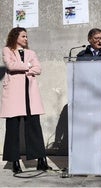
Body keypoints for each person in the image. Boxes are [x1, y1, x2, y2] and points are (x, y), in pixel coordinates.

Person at [0, 27, 52, 173]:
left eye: (27, 36)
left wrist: (24, 68)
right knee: (13, 128)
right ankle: (14, 161)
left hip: (30, 93)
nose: (26, 39)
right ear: (15, 36)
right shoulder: (7, 50)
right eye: (23, 36)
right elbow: (10, 65)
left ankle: (41, 160)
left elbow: (38, 69)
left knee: (35, 126)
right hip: (14, 94)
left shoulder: (31, 53)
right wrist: (29, 66)